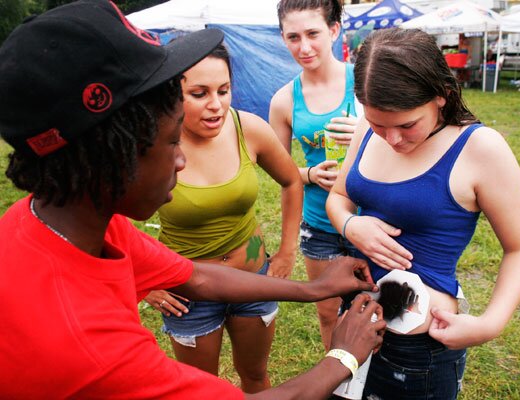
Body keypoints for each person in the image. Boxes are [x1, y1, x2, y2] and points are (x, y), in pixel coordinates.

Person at [0, 1, 387, 398]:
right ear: (113, 156)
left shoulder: (57, 221)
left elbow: (196, 276)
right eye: (171, 142)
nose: (182, 160)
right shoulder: (92, 351)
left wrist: (314, 288)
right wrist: (342, 356)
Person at [326, 28, 520, 400]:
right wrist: (350, 223)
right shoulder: (367, 129)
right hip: (353, 323)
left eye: (407, 125)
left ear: (442, 95)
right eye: (379, 124)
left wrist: (490, 323)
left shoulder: (479, 148)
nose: (391, 139)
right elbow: (339, 197)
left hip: (417, 350)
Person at [143, 43, 303, 393]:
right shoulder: (149, 144)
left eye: (224, 90)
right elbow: (104, 218)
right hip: (188, 294)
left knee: (256, 377)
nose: (216, 105)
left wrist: (289, 249)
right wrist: (143, 281)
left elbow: (292, 180)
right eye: (199, 94)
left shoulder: (249, 129)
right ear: (171, 93)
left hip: (253, 282)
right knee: (201, 390)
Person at [270, 0, 407, 351]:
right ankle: (339, 380)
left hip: (375, 218)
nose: (304, 47)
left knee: (386, 309)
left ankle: (377, 377)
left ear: (333, 30)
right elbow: (280, 171)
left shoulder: (367, 85)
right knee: (328, 312)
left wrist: (368, 130)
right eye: (293, 37)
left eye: (313, 33)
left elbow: (408, 147)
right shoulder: (284, 100)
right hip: (319, 224)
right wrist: (310, 172)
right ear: (283, 38)